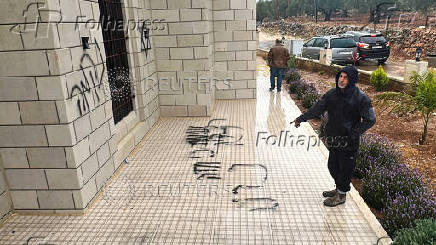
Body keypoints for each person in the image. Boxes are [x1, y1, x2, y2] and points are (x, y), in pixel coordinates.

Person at [291, 66, 376, 207]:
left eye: (345, 77)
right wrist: (301, 118)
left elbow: (370, 120)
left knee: (345, 168)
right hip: (334, 138)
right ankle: (338, 189)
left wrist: (354, 133)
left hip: (349, 141)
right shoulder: (332, 94)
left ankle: (341, 195)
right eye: (340, 76)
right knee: (333, 166)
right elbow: (317, 108)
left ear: (352, 80)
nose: (341, 80)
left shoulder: (361, 98)